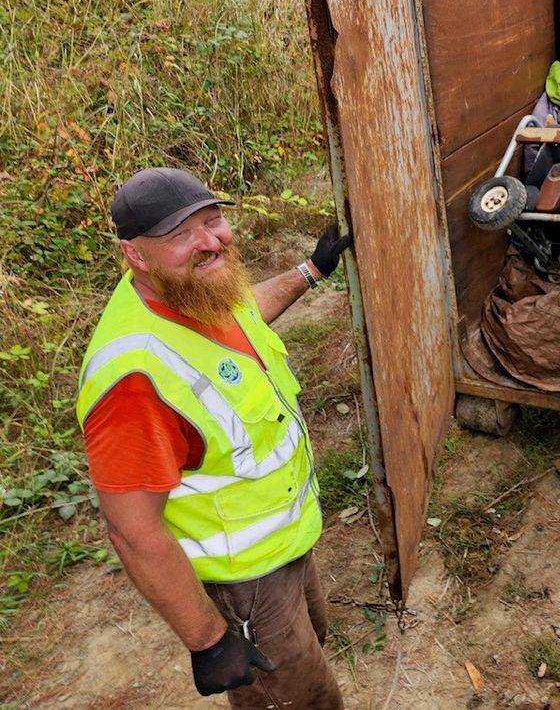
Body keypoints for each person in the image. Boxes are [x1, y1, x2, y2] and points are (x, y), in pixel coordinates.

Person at [75, 167, 353, 708]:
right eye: (181, 235)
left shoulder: (197, 290)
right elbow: (132, 531)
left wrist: (311, 271)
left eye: (213, 220)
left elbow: (248, 313)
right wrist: (207, 640)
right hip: (244, 584)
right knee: (303, 702)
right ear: (135, 255)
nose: (210, 241)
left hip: (289, 543)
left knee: (312, 657)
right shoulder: (136, 377)